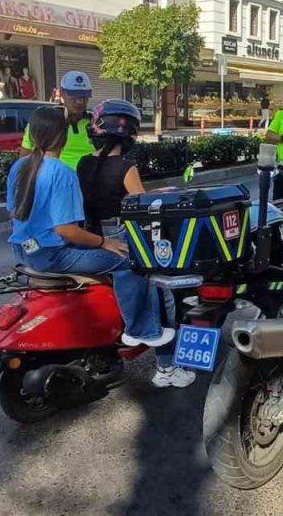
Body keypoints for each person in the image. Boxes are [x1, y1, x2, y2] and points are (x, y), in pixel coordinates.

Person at [7, 106, 174, 348]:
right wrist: (106, 242)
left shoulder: (20, 167)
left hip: (23, 250)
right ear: (63, 135)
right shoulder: (62, 172)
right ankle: (143, 330)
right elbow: (67, 230)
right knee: (131, 260)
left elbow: (13, 212)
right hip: (52, 254)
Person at [78, 100, 194, 388]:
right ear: (129, 135)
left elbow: (116, 193)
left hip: (93, 236)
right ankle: (166, 368)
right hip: (121, 237)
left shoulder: (84, 163)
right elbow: (140, 206)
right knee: (162, 291)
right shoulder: (126, 166)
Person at [23, 70, 96, 170]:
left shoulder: (96, 123)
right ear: (62, 93)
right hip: (57, 180)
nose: (80, 102)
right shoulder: (46, 122)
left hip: (91, 181)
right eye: (74, 97)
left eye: (84, 97)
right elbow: (25, 156)